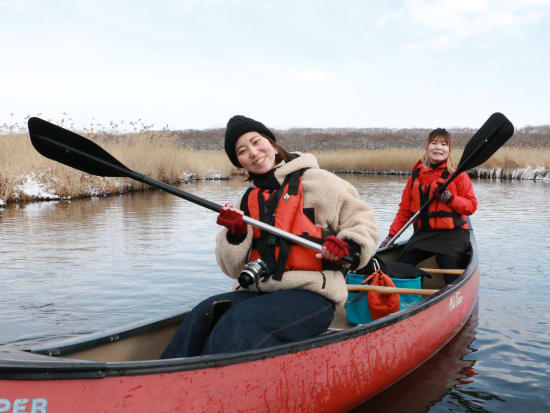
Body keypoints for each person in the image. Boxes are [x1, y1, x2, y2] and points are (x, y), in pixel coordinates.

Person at [161, 115, 379, 358]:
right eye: (242, 151)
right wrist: (236, 234)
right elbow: (232, 269)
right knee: (202, 314)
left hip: (313, 296)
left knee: (242, 321)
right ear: (239, 162)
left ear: (273, 144)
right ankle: (160, 385)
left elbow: (364, 223)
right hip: (258, 292)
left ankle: (209, 388)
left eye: (257, 142)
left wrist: (348, 246)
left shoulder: (321, 182)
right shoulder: (245, 201)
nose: (253, 153)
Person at [379, 128, 477, 284]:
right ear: (427, 147)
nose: (439, 147)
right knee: (402, 264)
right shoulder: (416, 177)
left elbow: (471, 206)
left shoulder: (458, 175)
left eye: (444, 144)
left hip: (453, 234)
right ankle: (404, 297)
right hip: (424, 235)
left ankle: (451, 298)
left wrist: (450, 198)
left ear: (449, 150)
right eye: (434, 143)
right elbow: (404, 211)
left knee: (447, 262)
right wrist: (391, 236)